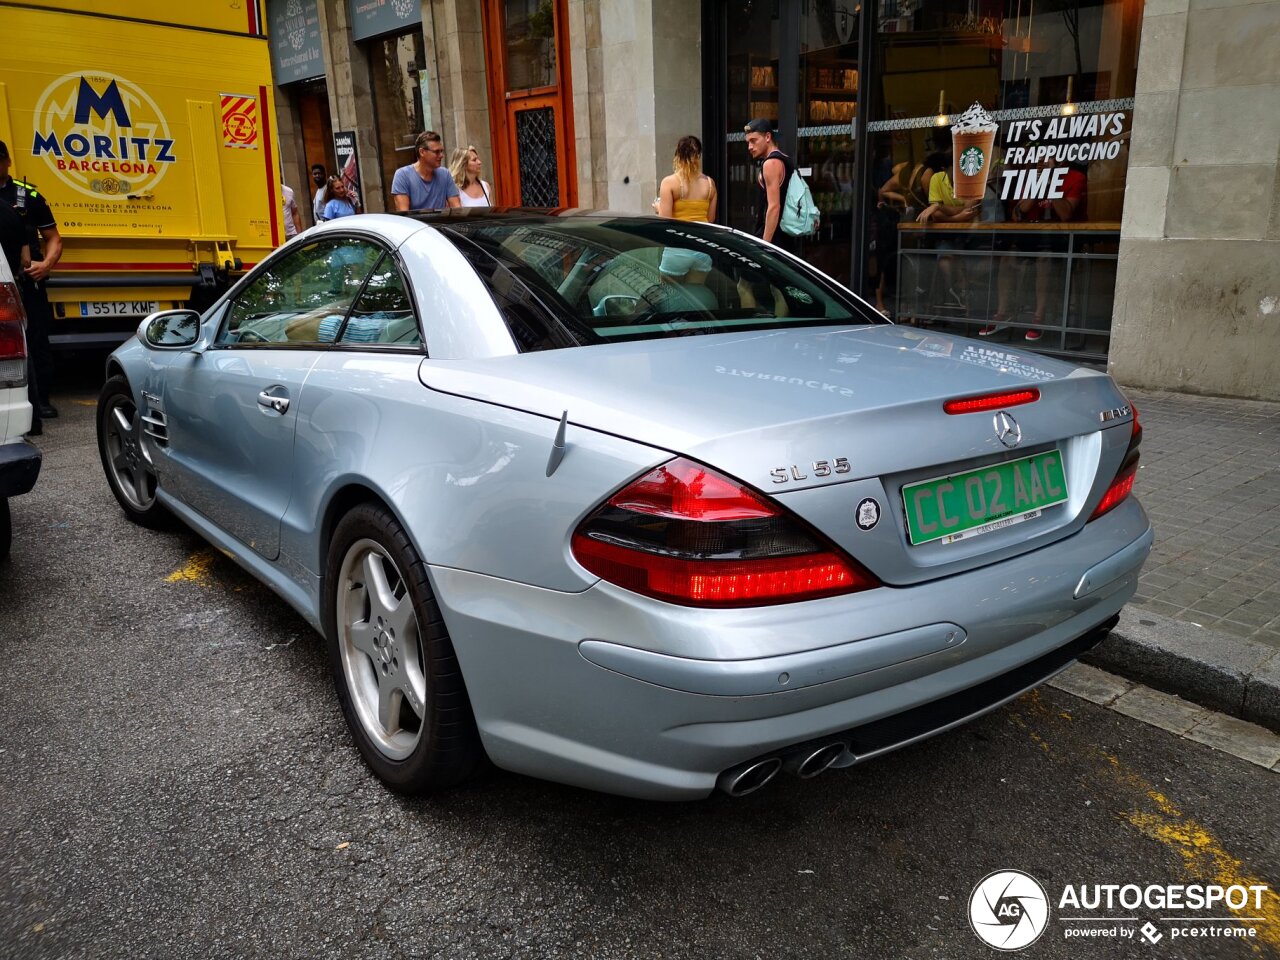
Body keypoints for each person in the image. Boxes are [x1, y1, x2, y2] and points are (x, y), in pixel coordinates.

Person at [0, 139, 61, 424]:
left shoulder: (28, 195)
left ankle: (41, 400)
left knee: (35, 337)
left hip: (26, 279)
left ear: (7, 162)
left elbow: (53, 239)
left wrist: (46, 264)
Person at [916, 147, 978, 312]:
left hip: (971, 235)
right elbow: (936, 216)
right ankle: (957, 293)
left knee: (959, 259)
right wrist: (955, 215)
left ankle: (962, 295)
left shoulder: (972, 179)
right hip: (946, 236)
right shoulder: (937, 178)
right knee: (945, 257)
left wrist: (940, 206)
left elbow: (970, 211)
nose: (961, 171)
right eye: (956, 168)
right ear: (945, 168)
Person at [742, 118, 797, 252]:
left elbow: (774, 207)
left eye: (754, 141)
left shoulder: (771, 163)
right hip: (785, 236)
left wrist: (765, 246)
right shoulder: (784, 158)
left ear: (767, 137)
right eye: (748, 142)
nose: (750, 147)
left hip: (775, 239)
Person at [391, 131, 461, 211]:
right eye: (437, 152)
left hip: (441, 223)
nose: (441, 155)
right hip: (415, 223)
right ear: (422, 152)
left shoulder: (445, 174)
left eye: (441, 151)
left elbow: (457, 209)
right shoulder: (402, 175)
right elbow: (404, 215)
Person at [657, 135, 717, 223]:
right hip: (701, 235)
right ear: (699, 156)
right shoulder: (710, 183)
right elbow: (710, 219)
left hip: (679, 235)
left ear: (678, 155)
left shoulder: (669, 183)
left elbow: (666, 221)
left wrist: (658, 207)